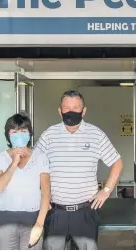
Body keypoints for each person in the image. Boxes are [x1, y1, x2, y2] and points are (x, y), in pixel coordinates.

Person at [34, 90, 123, 250]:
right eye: (66, 108)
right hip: (55, 212)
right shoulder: (49, 135)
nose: (71, 111)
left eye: (76, 108)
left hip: (85, 212)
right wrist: (41, 196)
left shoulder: (96, 134)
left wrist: (107, 190)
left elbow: (117, 162)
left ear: (84, 111)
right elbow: (34, 167)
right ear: (59, 111)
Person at [0, 113, 51, 250]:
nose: (19, 135)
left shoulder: (40, 157)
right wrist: (14, 162)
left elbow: (46, 194)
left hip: (32, 217)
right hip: (6, 218)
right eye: (14, 132)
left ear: (29, 134)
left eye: (23, 131)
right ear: (8, 135)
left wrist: (39, 224)